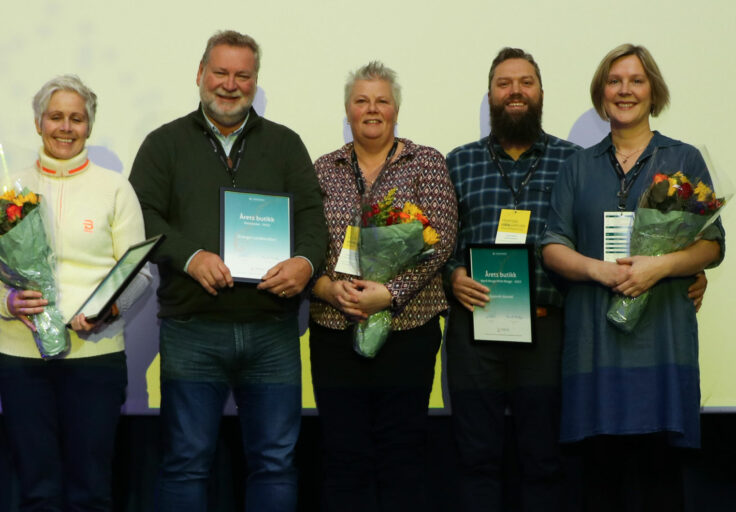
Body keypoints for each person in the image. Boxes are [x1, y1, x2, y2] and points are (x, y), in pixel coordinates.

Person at [128, 30, 327, 512]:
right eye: (221, 72)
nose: (230, 85)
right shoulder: (164, 143)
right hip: (193, 330)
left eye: (243, 75)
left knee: (275, 463)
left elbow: (312, 223)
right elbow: (143, 219)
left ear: (255, 82)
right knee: (186, 463)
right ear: (200, 74)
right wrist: (191, 256)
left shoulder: (285, 144)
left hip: (272, 331)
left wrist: (304, 263)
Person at [542, 44, 724, 512]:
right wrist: (599, 270)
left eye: (636, 80)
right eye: (615, 81)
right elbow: (552, 248)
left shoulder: (683, 159)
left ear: (653, 91)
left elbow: (712, 245)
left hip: (662, 339)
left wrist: (659, 266)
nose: (625, 90)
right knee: (599, 484)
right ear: (602, 93)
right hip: (594, 345)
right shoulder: (576, 166)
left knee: (661, 484)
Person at [0, 75, 150, 511]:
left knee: (91, 490)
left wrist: (109, 311)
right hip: (22, 360)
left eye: (76, 118)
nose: (65, 127)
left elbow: (140, 276)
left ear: (89, 126)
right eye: (56, 117)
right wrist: (6, 302)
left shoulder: (115, 188)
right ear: (38, 123)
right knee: (38, 490)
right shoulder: (10, 189)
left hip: (96, 356)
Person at [309, 61, 457, 511]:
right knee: (342, 455)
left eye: (382, 101)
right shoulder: (323, 169)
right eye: (361, 101)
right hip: (334, 328)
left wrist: (390, 293)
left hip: (408, 330)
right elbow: (306, 246)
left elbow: (441, 238)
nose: (372, 109)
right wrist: (328, 290)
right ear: (348, 110)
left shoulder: (425, 162)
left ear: (396, 109)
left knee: (401, 454)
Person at [442, 47, 581, 512]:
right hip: (474, 329)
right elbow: (437, 242)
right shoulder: (456, 163)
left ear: (541, 93)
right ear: (490, 96)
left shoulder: (575, 162)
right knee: (475, 458)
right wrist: (451, 273)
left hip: (547, 328)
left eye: (525, 82)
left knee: (544, 459)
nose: (515, 91)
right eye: (504, 84)